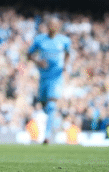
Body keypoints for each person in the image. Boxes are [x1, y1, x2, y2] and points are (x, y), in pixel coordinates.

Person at [27, 16, 71, 144]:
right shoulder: (39, 40)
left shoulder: (64, 40)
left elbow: (68, 53)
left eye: (55, 25)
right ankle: (48, 118)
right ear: (47, 26)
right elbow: (29, 54)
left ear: (58, 27)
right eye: (50, 25)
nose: (53, 27)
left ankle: (47, 135)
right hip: (43, 77)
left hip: (56, 77)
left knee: (52, 105)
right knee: (43, 103)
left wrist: (65, 65)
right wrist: (38, 61)